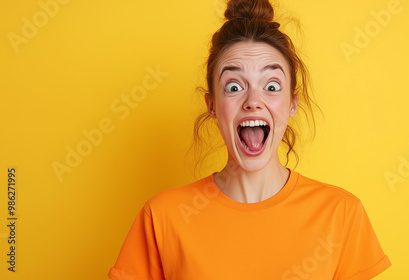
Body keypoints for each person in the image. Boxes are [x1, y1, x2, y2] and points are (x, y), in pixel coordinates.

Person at [108, 0, 391, 279]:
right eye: (233, 86)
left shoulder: (341, 214)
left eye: (271, 86)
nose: (253, 101)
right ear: (212, 106)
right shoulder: (161, 217)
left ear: (292, 103)